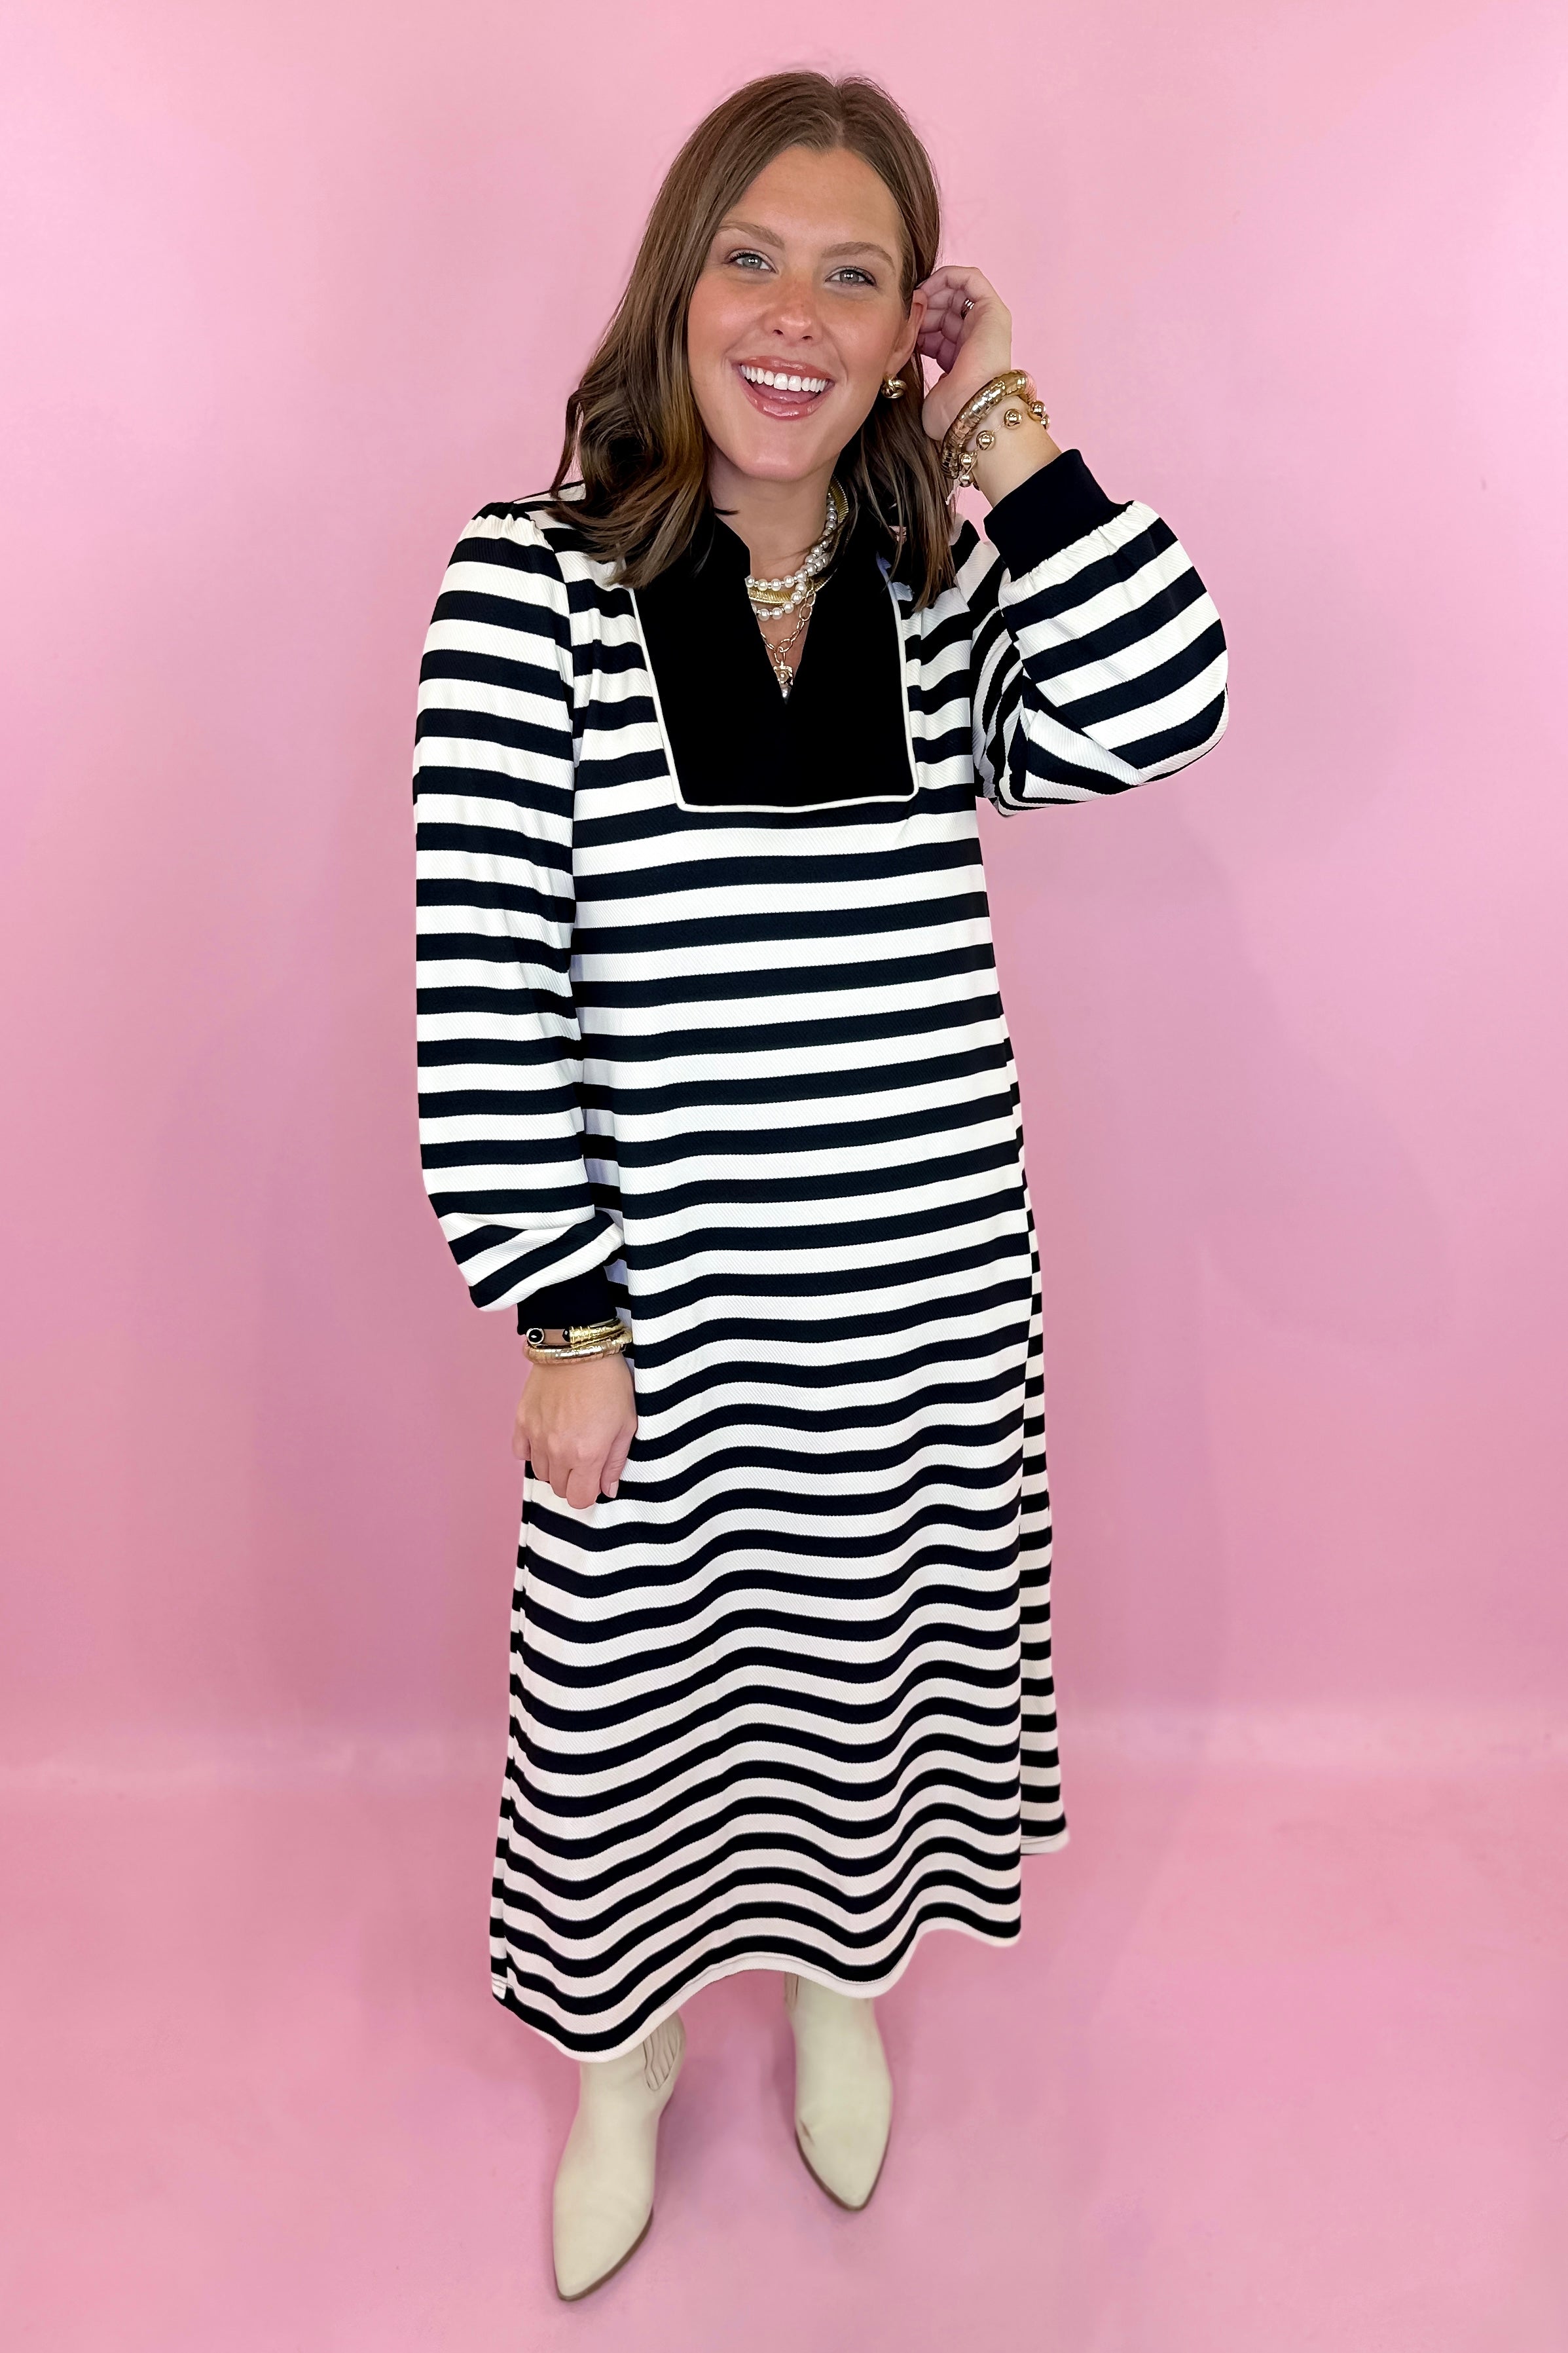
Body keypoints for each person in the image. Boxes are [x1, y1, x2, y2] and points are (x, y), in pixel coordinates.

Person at [411, 67, 1228, 2299]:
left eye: (854, 279)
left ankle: (843, 1987)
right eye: (752, 259)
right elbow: (485, 979)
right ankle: (625, 2061)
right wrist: (562, 1309)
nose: (793, 315)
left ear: (904, 334)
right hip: (668, 1315)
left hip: (928, 1301)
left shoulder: (935, 594)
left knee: (877, 1670)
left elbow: (1164, 699)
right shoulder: (530, 586)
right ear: (679, 288)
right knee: (632, 1711)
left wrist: (1007, 433)